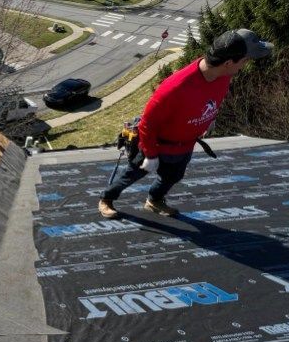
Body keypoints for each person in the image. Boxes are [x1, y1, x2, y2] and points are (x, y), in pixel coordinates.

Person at [98, 29, 273, 219]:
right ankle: (106, 199)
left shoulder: (224, 75)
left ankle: (154, 200)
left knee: (173, 177)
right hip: (158, 144)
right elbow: (148, 123)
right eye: (245, 60)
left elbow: (215, 98)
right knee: (130, 175)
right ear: (228, 63)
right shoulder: (176, 87)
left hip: (185, 144)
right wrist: (150, 154)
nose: (245, 65)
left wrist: (210, 118)